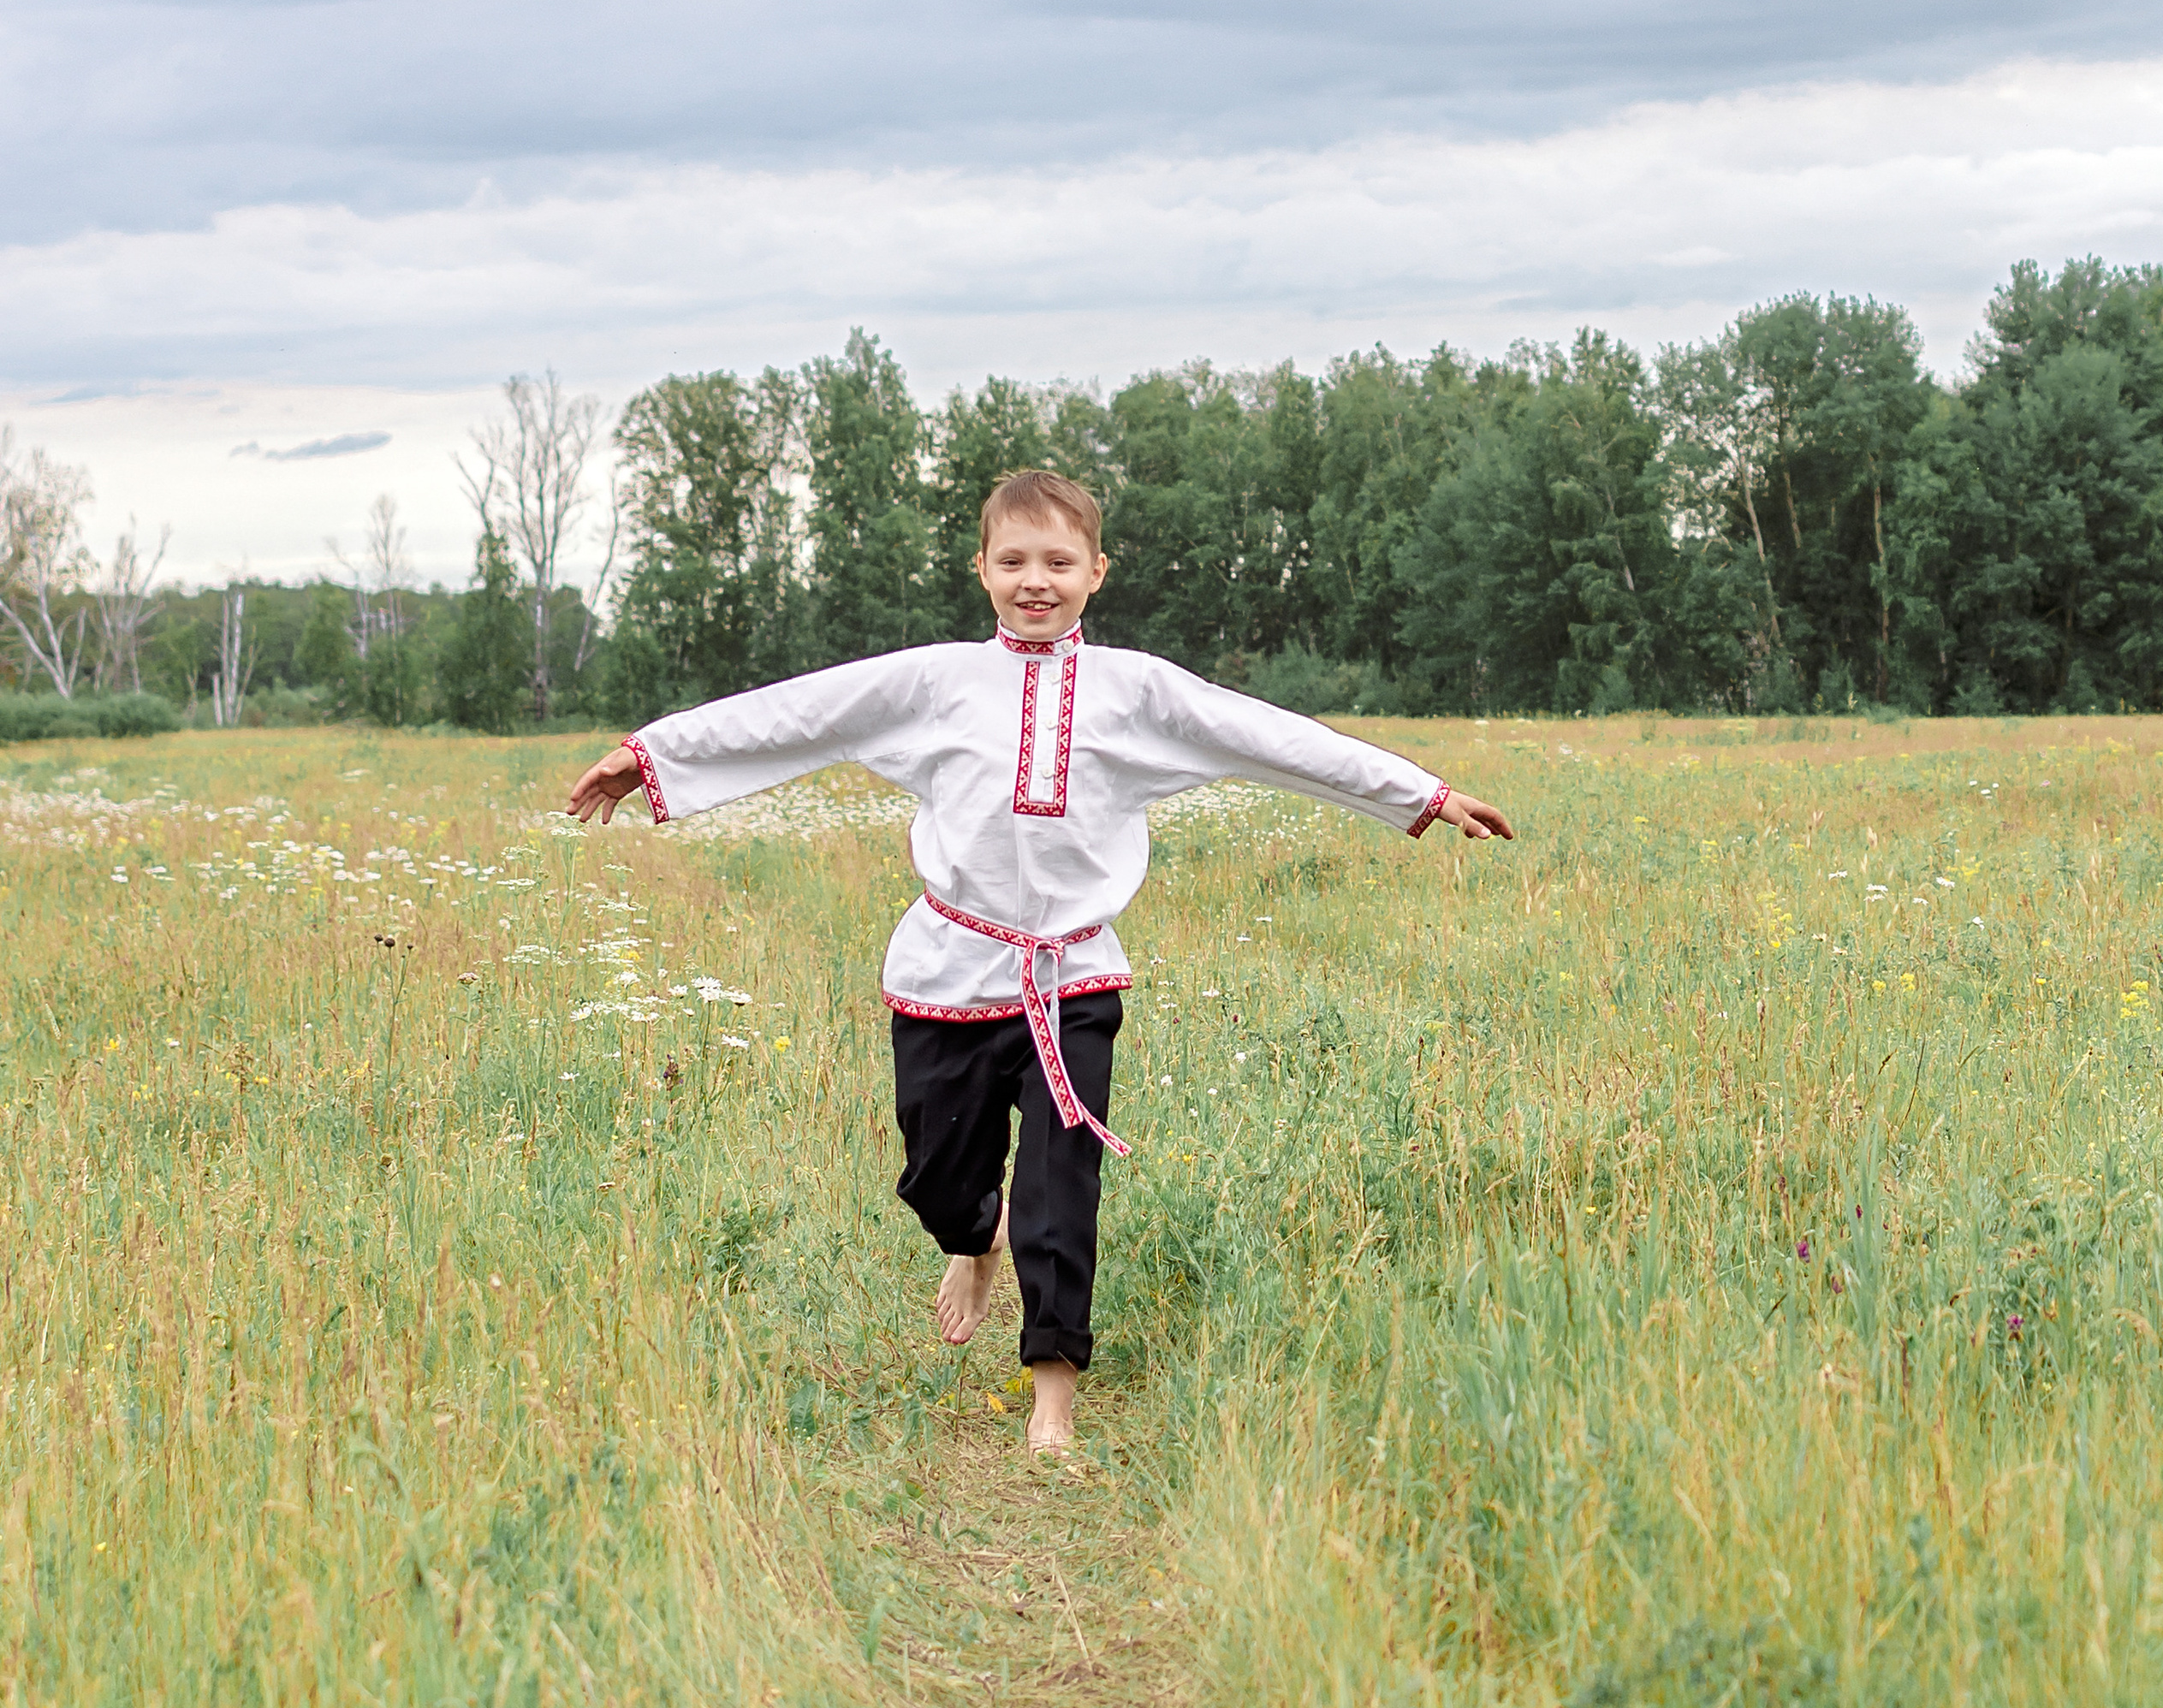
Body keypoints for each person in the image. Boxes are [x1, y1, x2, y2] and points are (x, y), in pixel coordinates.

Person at [567, 469, 1512, 1456]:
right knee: (939, 1177)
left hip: (1073, 976)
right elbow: (801, 712)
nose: (1035, 580)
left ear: (1096, 572)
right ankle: (972, 1241)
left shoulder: (1139, 691)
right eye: (1013, 560)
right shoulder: (935, 681)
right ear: (980, 568)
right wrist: (654, 756)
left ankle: (1051, 1396)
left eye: (1059, 562)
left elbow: (1269, 735)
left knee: (1062, 1185)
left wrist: (1420, 793)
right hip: (946, 968)